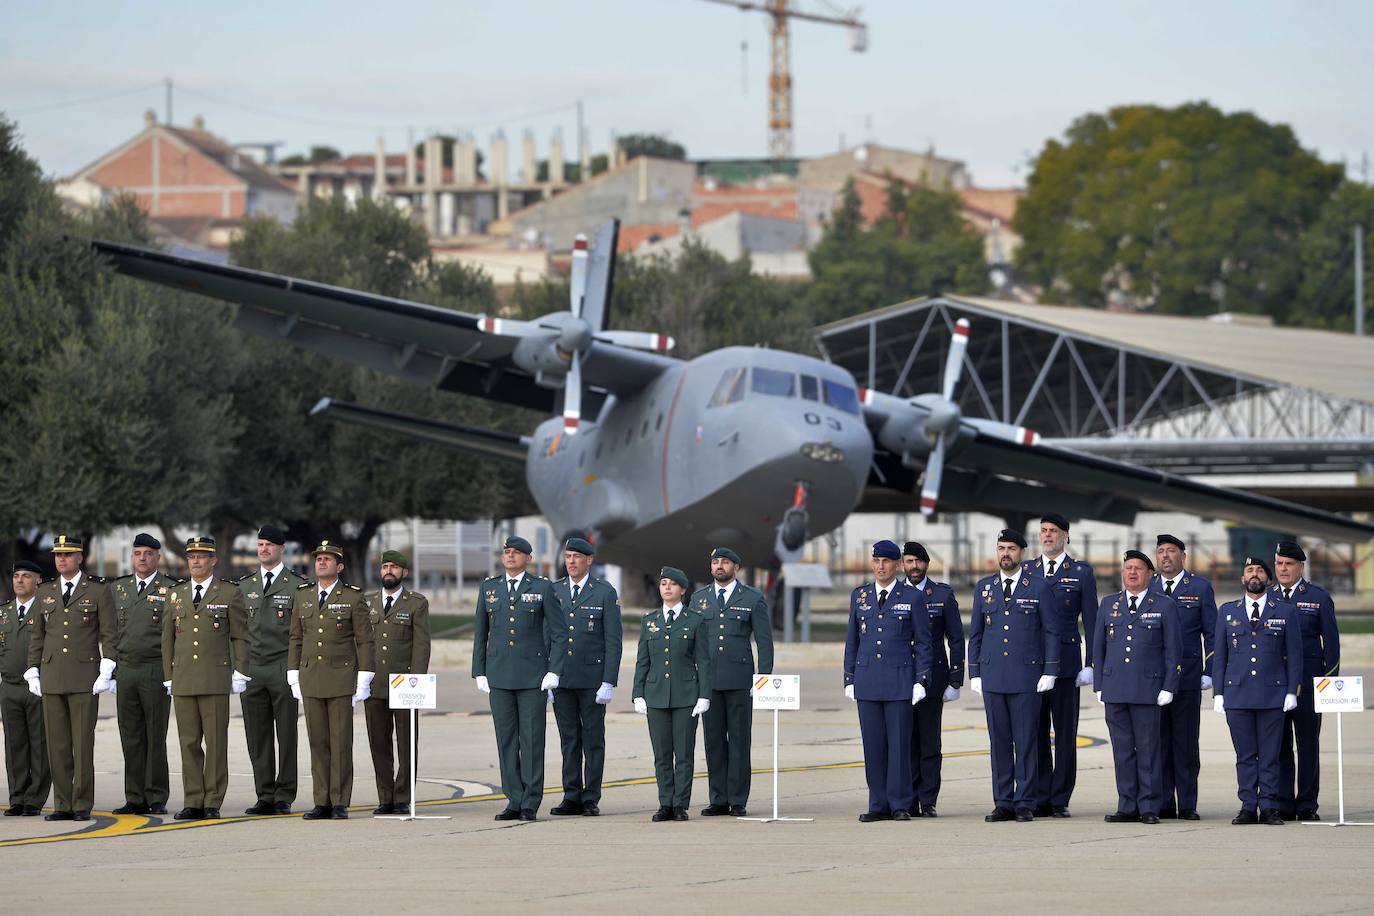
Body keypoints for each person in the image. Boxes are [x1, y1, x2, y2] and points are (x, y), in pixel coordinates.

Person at [968, 529, 1060, 823]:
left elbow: (1051, 631)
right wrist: (975, 672)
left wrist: (1050, 670)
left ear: (1022, 552)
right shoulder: (985, 587)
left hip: (1026, 676)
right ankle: (1003, 801)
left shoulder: (1038, 587)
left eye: (1010, 548)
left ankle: (1025, 802)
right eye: (1001, 548)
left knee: (1027, 741)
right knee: (999, 742)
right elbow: (976, 633)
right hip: (993, 675)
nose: (1005, 553)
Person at [24, 534, 116, 822]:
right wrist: (32, 669)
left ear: (79, 557)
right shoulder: (45, 591)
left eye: (67, 554)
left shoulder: (98, 590)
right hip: (52, 676)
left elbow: (109, 633)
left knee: (82, 744)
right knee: (58, 745)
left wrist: (107, 667)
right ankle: (62, 804)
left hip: (84, 677)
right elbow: (37, 635)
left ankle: (81, 803)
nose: (61, 559)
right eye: (58, 555)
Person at [843, 539, 933, 822]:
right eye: (876, 561)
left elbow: (924, 642)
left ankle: (900, 803)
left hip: (899, 681)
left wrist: (921, 680)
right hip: (868, 680)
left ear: (897, 565)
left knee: (899, 746)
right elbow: (852, 641)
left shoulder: (912, 597)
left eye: (886, 562)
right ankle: (878, 803)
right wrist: (849, 678)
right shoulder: (860, 596)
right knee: (873, 747)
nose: (880, 566)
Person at [162, 537, 250, 820]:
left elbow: (239, 636)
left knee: (215, 742)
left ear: (214, 560)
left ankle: (212, 800)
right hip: (184, 678)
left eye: (202, 556)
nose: (196, 561)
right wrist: (168, 675)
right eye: (192, 557)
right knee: (188, 743)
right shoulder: (175, 594)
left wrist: (240, 671)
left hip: (214, 678)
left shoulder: (229, 593)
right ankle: (193, 800)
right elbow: (167, 639)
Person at [472, 536, 559, 821]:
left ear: (528, 558)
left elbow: (559, 633)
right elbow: (481, 633)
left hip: (533, 675)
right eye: (507, 552)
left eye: (517, 552)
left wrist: (554, 670)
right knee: (506, 740)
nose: (510, 556)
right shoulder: (489, 588)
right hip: (499, 674)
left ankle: (530, 801)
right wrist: (479, 670)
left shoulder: (542, 587)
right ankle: (514, 798)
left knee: (532, 739)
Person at [287, 540, 375, 820]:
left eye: (328, 559)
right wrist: (293, 673)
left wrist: (364, 678)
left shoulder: (352, 597)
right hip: (311, 676)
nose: (321, 562)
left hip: (340, 678)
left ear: (340, 566)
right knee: (317, 743)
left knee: (340, 743)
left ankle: (339, 801)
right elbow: (296, 637)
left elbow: (365, 640)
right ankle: (321, 801)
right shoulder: (303, 595)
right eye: (318, 558)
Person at [1093, 550, 1181, 825]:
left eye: (1138, 568)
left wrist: (1169, 686)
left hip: (1148, 690)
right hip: (1115, 688)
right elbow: (1098, 647)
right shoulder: (1109, 604)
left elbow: (1173, 650)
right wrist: (1099, 684)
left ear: (1150, 575)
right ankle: (1127, 805)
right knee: (1122, 751)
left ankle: (1149, 806)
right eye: (1128, 568)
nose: (1132, 573)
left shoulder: (1164, 605)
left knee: (1148, 751)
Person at [1214, 557, 1301, 826]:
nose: (1254, 574)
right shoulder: (1227, 611)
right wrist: (1219, 693)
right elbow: (1220, 656)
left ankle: (1270, 806)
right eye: (1250, 570)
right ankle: (1248, 806)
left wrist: (1291, 691)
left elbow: (1294, 655)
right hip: (1237, 695)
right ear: (1242, 578)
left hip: (1272, 695)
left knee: (1270, 756)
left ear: (1268, 580)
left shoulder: (1285, 612)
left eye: (1260, 571)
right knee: (1245, 755)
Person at [690, 546, 773, 817]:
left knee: (739, 740)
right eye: (715, 562)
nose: (719, 566)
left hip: (740, 680)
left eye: (725, 562)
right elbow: (690, 640)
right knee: (713, 741)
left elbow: (764, 641)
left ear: (736, 567)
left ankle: (737, 799)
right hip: (708, 682)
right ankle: (718, 798)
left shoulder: (752, 597)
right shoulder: (699, 599)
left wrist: (763, 677)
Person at [1026, 512, 1097, 818]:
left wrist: (1091, 663)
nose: (1047, 535)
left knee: (1065, 732)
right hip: (1032, 663)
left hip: (1067, 664)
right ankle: (1040, 795)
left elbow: (1092, 622)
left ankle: (1060, 797)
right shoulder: (1027, 570)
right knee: (1035, 730)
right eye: (1043, 530)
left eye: (1053, 530)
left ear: (1065, 535)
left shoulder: (1080, 572)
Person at [549, 537, 622, 817]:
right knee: (569, 739)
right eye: (568, 556)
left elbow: (613, 640)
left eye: (577, 557)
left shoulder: (604, 592)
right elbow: (547, 636)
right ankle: (571, 795)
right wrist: (548, 675)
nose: (571, 561)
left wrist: (608, 681)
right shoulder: (554, 590)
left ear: (589, 560)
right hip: (562, 677)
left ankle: (591, 797)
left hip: (592, 678)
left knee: (592, 739)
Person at [239, 524, 307, 816]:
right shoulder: (245, 586)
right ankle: (264, 794)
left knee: (287, 734)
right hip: (253, 669)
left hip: (283, 667)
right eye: (260, 544)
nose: (264, 549)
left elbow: (302, 631)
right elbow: (237, 630)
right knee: (257, 735)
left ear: (281, 549)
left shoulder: (297, 586)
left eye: (269, 544)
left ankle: (284, 795)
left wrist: (297, 670)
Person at [634, 567, 711, 822]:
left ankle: (680, 804)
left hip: (686, 695)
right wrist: (638, 693)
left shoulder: (695, 620)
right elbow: (642, 661)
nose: (667, 587)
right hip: (656, 695)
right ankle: (665, 803)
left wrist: (704, 695)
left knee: (684, 754)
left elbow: (703, 661)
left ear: (683, 590)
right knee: (662, 754)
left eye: (673, 584)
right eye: (663, 583)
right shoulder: (650, 620)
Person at [1149, 533, 1217, 820]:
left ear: (1183, 557)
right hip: (1153, 679)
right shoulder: (1148, 586)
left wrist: (1209, 671)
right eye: (1161, 551)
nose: (1165, 556)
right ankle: (1164, 802)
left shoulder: (1199, 587)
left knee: (1185, 743)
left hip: (1187, 678)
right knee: (1158, 743)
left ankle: (1187, 803)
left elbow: (1212, 633)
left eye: (1171, 551)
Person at [1272, 540, 1340, 821]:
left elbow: (1331, 645)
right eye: (1279, 564)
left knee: (1308, 745)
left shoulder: (1318, 597)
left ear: (1301, 567)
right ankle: (1284, 803)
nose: (1283, 569)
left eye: (1289, 564)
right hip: (1275, 684)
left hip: (1309, 684)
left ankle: (1307, 804)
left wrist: (1329, 683)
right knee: (1279, 746)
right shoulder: (1266, 596)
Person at [110, 532, 175, 816]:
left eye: (148, 554)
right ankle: (134, 796)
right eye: (138, 553)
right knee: (130, 735)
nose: (142, 558)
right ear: (132, 557)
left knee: (155, 733)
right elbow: (110, 630)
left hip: (154, 668)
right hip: (126, 669)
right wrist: (110, 667)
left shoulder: (170, 589)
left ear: (157, 557)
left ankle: (156, 795)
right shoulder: (119, 588)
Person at [365, 549, 431, 816]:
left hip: (405, 683)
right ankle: (385, 797)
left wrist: (417, 680)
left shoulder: (416, 603)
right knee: (379, 743)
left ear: (404, 572)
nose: (388, 571)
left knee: (406, 743)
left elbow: (421, 646)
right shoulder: (368, 602)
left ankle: (403, 796)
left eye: (394, 567)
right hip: (374, 683)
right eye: (385, 567)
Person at [902, 541, 963, 817]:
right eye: (909, 561)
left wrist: (955, 679)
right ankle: (907, 799)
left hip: (933, 679)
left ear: (927, 564)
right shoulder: (895, 593)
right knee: (904, 742)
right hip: (901, 677)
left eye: (918, 561)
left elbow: (956, 638)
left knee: (928, 742)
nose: (914, 566)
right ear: (902, 564)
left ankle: (927, 800)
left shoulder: (942, 595)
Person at [1, 560, 49, 816]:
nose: (19, 580)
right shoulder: (4, 613)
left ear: (38, 580)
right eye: (16, 576)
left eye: (26, 576)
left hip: (37, 687)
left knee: (40, 743)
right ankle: (17, 797)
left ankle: (34, 799)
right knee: (14, 745)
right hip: (9, 687)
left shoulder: (46, 611)